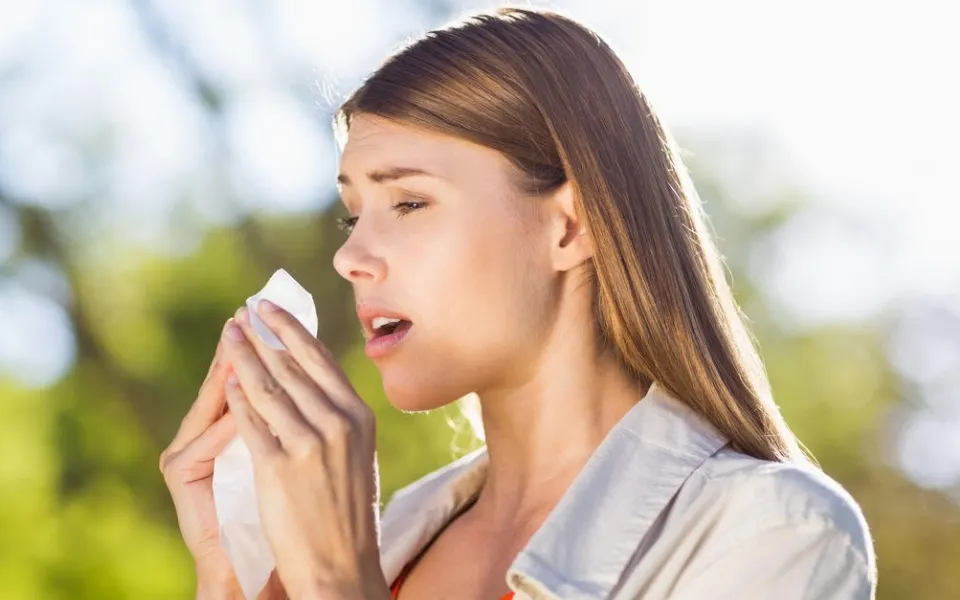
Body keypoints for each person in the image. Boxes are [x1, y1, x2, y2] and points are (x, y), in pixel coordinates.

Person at [159, 6, 876, 599]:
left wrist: (338, 585)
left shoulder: (773, 533)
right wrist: (232, 580)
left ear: (572, 225)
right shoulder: (388, 539)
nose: (350, 257)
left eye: (408, 202)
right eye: (354, 214)